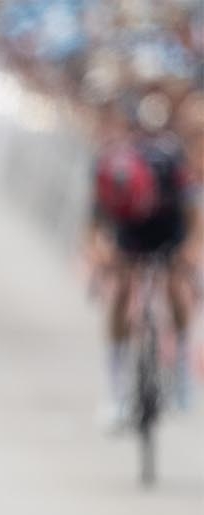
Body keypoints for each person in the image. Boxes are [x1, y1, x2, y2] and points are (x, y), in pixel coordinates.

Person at [89, 88, 196, 425]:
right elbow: (94, 225)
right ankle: (117, 387)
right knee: (121, 291)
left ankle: (181, 365)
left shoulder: (169, 163)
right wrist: (102, 253)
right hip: (129, 231)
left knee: (176, 286)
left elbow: (194, 215)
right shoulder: (109, 168)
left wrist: (189, 252)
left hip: (168, 226)